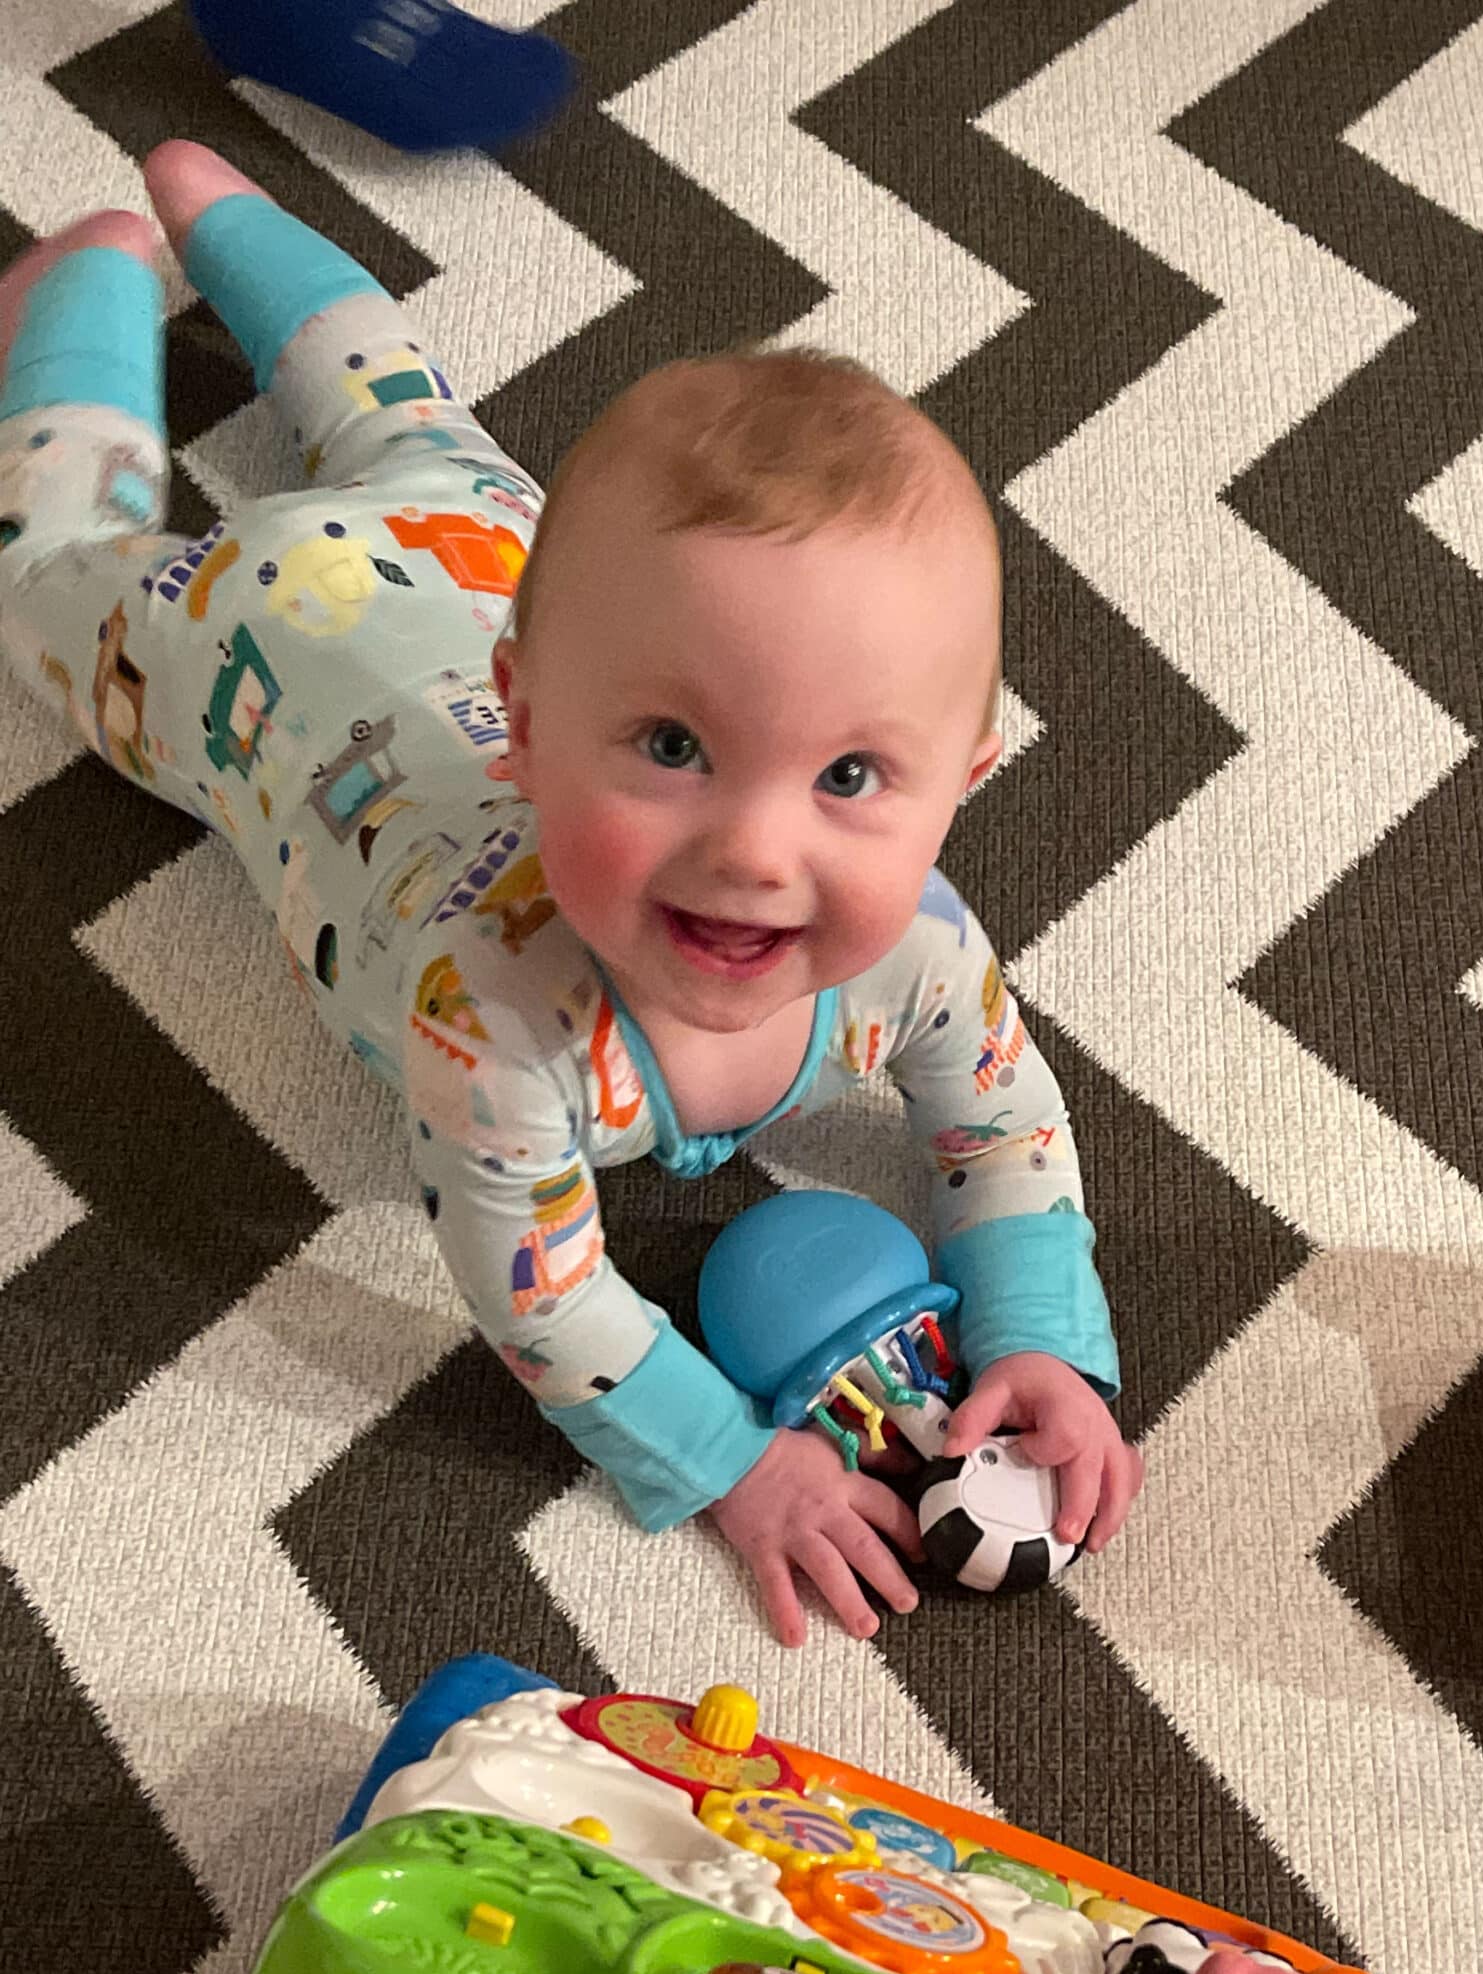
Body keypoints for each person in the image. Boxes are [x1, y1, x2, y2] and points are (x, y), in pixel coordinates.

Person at [0, 143, 1142, 1647]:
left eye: (853, 775)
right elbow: (546, 1303)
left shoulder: (919, 947)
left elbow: (1003, 1129)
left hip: (488, 546)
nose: (754, 851)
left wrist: (1041, 1340)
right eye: (672, 748)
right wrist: (733, 1461)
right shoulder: (497, 1023)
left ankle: (219, 213)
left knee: (417, 428)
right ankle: (86, 281)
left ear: (966, 775)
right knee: (53, 575)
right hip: (253, 651)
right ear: (527, 725)